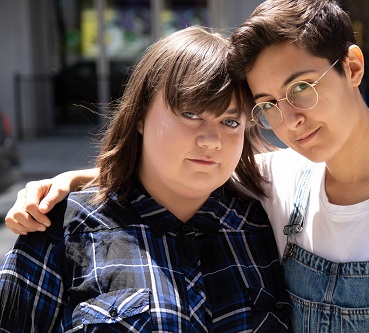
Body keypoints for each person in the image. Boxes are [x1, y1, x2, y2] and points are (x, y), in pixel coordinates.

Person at [5, 1, 369, 332]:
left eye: (301, 87)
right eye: (267, 104)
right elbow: (176, 171)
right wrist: (67, 187)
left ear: (352, 67)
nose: (289, 120)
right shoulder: (280, 187)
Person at [0, 26, 292, 332]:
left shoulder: (264, 222)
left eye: (230, 121)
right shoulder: (60, 228)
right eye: (191, 114)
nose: (211, 140)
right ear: (140, 116)